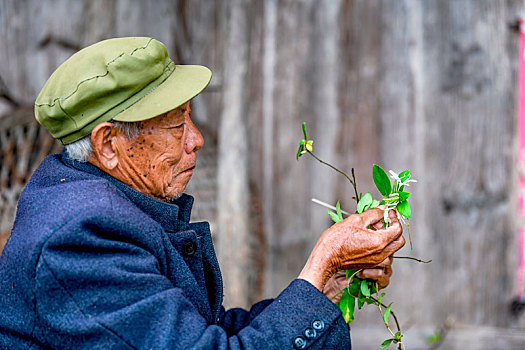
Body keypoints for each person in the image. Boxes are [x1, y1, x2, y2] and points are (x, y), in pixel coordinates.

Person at [0, 37, 404, 349]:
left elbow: (206, 333)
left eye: (190, 117)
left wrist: (329, 285)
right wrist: (317, 271)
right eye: (177, 125)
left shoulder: (100, 206)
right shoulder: (81, 240)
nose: (197, 139)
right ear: (108, 145)